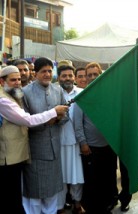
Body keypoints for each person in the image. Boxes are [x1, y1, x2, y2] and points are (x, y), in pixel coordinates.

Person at [0, 65, 68, 214]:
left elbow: (65, 115)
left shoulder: (56, 90)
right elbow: (28, 121)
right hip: (12, 156)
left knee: (49, 190)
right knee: (27, 194)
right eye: (13, 80)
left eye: (18, 79)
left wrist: (56, 119)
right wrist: (53, 113)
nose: (17, 82)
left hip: (26, 153)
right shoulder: (7, 98)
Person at [21, 57, 69, 214]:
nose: (47, 74)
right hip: (35, 151)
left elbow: (66, 115)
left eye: (50, 71)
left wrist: (59, 119)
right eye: (43, 71)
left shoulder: (58, 90)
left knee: (52, 192)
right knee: (34, 193)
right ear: (35, 74)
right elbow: (24, 123)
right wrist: (46, 121)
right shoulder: (25, 93)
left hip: (54, 149)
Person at [73, 62, 117, 214]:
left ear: (100, 75)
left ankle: (107, 205)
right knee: (93, 182)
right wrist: (83, 144)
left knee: (107, 179)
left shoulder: (109, 96)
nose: (92, 77)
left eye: (95, 74)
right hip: (91, 149)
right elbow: (77, 124)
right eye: (89, 75)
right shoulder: (82, 97)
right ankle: (93, 208)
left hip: (109, 147)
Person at [56, 64, 85, 214]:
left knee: (77, 176)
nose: (67, 78)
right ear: (59, 77)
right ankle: (59, 206)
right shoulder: (53, 93)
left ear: (74, 77)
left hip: (77, 142)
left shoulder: (82, 93)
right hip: (57, 142)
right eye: (64, 76)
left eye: (70, 75)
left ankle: (77, 204)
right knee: (59, 178)